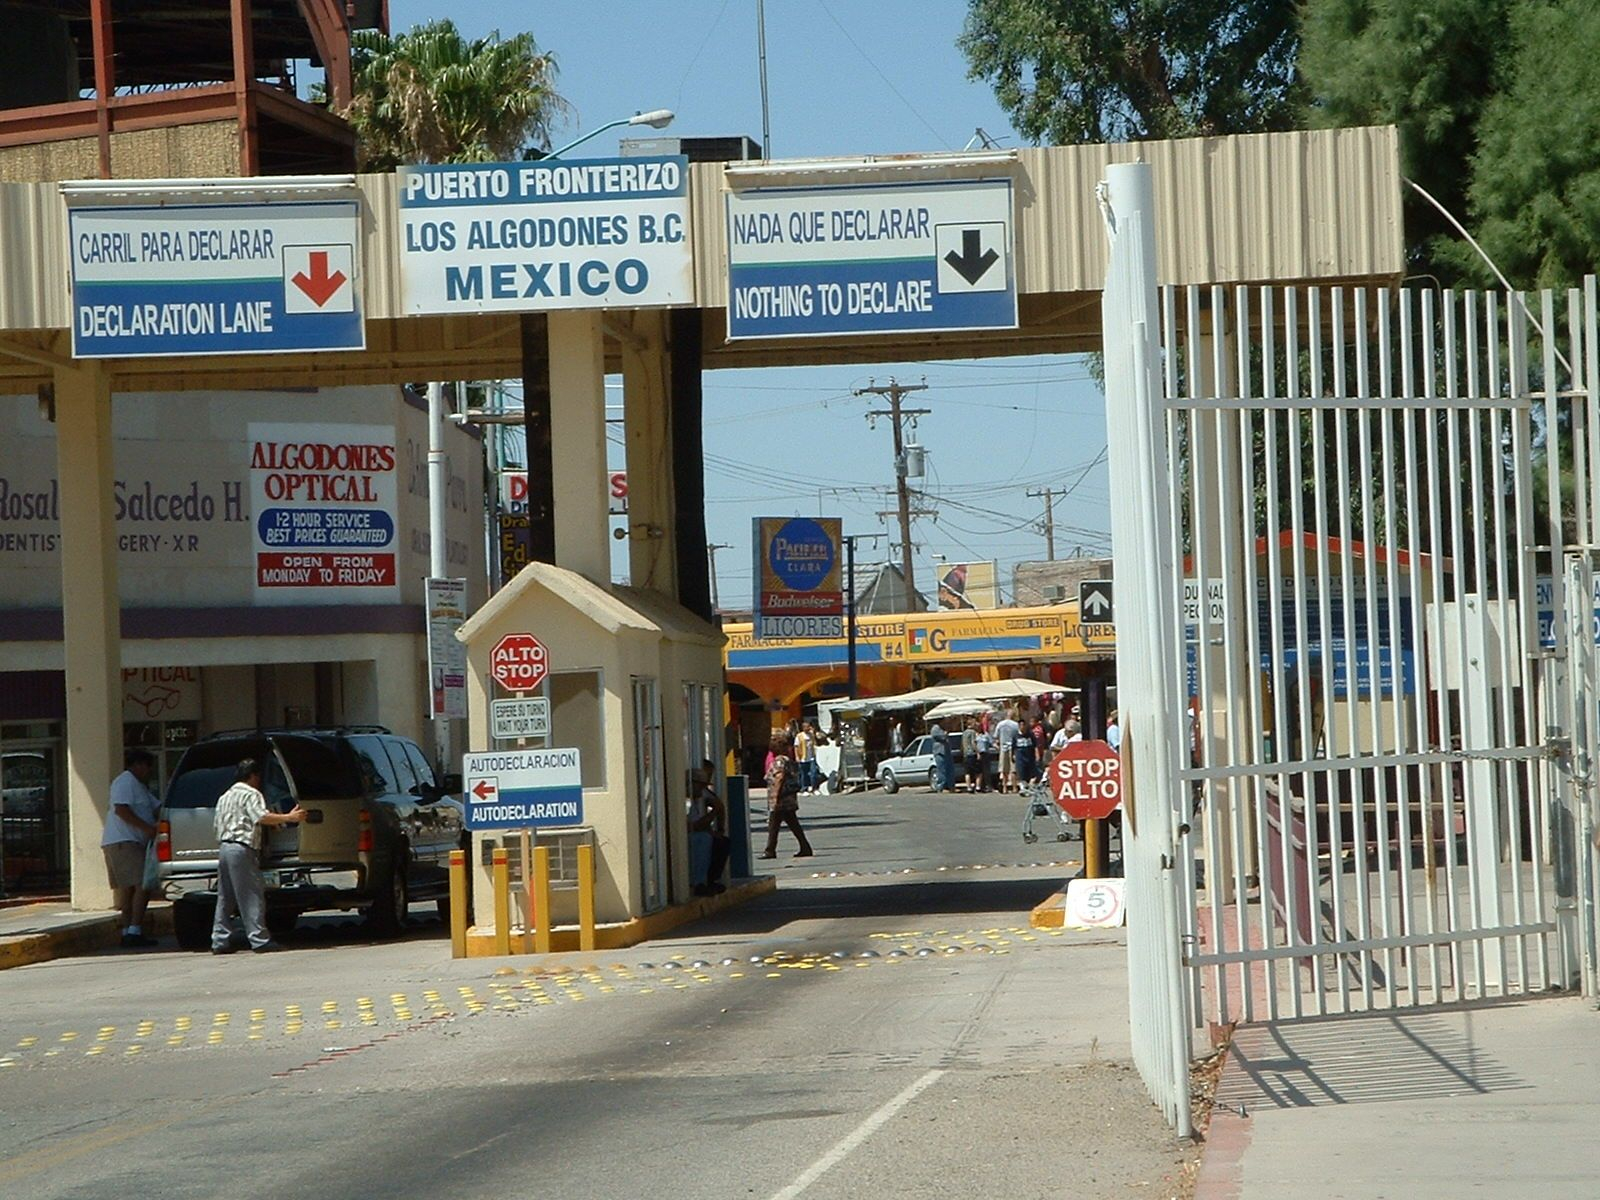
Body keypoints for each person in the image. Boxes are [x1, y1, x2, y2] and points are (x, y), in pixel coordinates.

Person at [212, 759, 306, 954]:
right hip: (242, 848)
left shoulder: (225, 796)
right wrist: (289, 818)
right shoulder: (252, 794)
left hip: (224, 847)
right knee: (251, 895)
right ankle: (259, 939)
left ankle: (220, 940)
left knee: (225, 897)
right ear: (253, 776)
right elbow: (260, 817)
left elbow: (216, 824)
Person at [102, 748, 161, 948]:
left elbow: (157, 808)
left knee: (129, 889)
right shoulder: (125, 782)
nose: (148, 771)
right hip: (124, 841)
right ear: (137, 765)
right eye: (146, 766)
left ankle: (129, 931)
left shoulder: (140, 787)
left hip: (132, 842)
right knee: (141, 885)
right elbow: (121, 809)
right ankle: (134, 929)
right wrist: (147, 829)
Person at [760, 732, 813, 859]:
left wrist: (775, 796)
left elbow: (779, 777)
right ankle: (805, 847)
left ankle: (770, 851)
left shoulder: (779, 762)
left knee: (773, 825)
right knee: (792, 824)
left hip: (780, 799)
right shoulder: (789, 761)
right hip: (789, 798)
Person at [689, 760, 730, 896]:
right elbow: (694, 826)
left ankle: (710, 880)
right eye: (701, 786)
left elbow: (720, 806)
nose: (703, 789)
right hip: (691, 836)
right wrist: (713, 813)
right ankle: (699, 883)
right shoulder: (687, 802)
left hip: (701, 832)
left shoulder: (700, 798)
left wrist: (719, 830)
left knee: (722, 842)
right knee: (704, 840)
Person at [995, 709, 1022, 792]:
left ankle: (1004, 788)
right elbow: (1019, 735)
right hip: (1013, 748)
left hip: (1003, 748)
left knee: (1004, 769)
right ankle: (1014, 787)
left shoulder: (1000, 724)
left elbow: (996, 737)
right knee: (1013, 769)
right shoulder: (1015, 725)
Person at [928, 720, 952, 792]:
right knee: (942, 770)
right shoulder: (935, 728)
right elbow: (942, 737)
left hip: (946, 752)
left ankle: (950, 786)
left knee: (949, 770)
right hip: (940, 752)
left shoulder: (942, 728)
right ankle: (941, 786)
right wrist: (946, 733)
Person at [961, 719, 980, 793]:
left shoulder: (964, 733)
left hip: (966, 754)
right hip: (972, 753)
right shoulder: (972, 732)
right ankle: (978, 787)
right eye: (974, 723)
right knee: (978, 771)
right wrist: (977, 752)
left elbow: (962, 744)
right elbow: (973, 743)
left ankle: (968, 787)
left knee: (967, 772)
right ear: (971, 724)